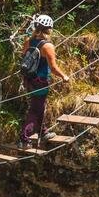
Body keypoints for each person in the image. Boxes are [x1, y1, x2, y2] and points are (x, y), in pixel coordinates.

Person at [17, 13, 69, 149]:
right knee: (35, 109)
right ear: (49, 29)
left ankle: (43, 132)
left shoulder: (28, 41)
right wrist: (64, 76)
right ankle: (24, 138)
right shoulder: (48, 46)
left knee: (38, 106)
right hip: (40, 81)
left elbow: (24, 57)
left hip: (28, 79)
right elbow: (53, 68)